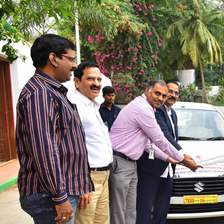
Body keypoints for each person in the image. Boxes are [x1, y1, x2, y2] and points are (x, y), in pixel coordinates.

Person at [16, 34, 93, 224]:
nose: (75, 65)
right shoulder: (40, 94)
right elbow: (44, 149)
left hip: (58, 192)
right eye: (71, 59)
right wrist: (59, 196)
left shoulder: (50, 91)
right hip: (50, 196)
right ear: (53, 59)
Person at [109, 80, 201, 224]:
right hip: (121, 162)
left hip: (131, 164)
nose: (160, 98)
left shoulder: (149, 108)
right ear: (147, 90)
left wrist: (167, 158)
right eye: (157, 93)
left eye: (163, 96)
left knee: (131, 210)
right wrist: (183, 159)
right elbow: (159, 139)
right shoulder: (142, 108)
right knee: (119, 210)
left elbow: (146, 143)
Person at [70, 62, 113, 224]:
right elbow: (73, 148)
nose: (96, 84)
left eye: (98, 79)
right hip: (88, 178)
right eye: (90, 79)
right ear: (77, 82)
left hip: (103, 176)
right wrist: (82, 183)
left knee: (101, 221)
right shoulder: (75, 107)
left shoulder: (93, 105)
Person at [136, 80, 182, 224]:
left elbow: (174, 137)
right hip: (151, 167)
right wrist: (183, 156)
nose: (172, 95)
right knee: (145, 208)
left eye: (176, 93)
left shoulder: (173, 113)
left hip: (168, 169)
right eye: (170, 91)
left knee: (162, 210)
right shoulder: (156, 111)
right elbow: (165, 137)